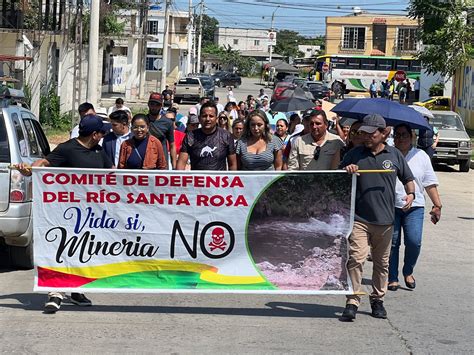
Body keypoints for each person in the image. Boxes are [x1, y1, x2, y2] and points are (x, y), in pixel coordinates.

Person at [15, 115, 113, 313]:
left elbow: (111, 173)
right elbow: (45, 163)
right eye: (102, 132)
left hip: (91, 214)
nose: (104, 135)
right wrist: (30, 170)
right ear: (94, 135)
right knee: (62, 249)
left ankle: (76, 290)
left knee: (82, 251)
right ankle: (55, 292)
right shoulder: (67, 148)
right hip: (65, 212)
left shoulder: (99, 150)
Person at [339, 113, 415, 321]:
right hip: (359, 219)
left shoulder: (395, 155)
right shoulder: (354, 154)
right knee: (355, 259)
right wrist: (347, 170)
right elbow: (336, 179)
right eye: (364, 133)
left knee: (382, 264)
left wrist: (411, 194)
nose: (366, 137)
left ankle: (377, 300)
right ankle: (353, 300)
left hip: (386, 221)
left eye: (371, 133)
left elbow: (408, 179)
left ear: (384, 133)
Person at [388, 124, 442, 291]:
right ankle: (392, 277)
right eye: (397, 135)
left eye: (404, 135)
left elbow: (429, 183)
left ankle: (408, 270)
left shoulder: (421, 156)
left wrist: (437, 205)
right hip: (390, 205)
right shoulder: (388, 154)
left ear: (412, 137)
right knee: (392, 243)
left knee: (414, 242)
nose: (401, 138)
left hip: (415, 206)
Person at [176, 101, 237, 171]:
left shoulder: (227, 136)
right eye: (204, 116)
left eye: (211, 116)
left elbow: (232, 165)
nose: (208, 119)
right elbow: (181, 164)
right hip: (197, 180)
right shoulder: (190, 136)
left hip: (219, 181)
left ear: (216, 119)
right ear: (199, 118)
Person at [147, 92, 176, 169]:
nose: (154, 107)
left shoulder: (167, 122)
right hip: (145, 159)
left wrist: (174, 167)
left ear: (161, 106)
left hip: (161, 160)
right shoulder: (143, 121)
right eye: (152, 104)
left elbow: (172, 145)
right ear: (148, 104)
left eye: (157, 105)